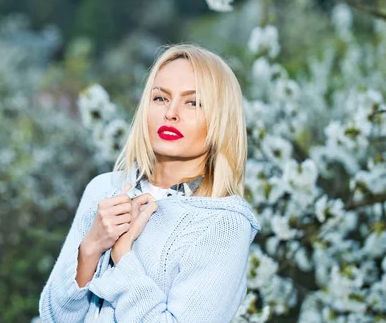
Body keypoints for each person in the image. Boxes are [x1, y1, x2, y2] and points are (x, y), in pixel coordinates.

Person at [38, 43, 261, 322]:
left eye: (193, 102)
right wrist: (91, 247)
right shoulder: (103, 189)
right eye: (160, 98)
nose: (171, 113)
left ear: (221, 119)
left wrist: (123, 259)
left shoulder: (223, 226)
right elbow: (53, 317)